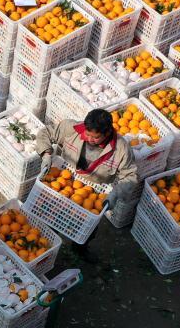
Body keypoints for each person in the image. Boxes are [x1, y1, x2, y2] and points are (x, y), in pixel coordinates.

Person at [34, 109, 138, 261]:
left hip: (93, 191)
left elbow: (130, 175)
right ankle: (45, 246)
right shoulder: (72, 129)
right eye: (88, 134)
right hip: (65, 181)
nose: (90, 139)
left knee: (87, 228)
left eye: (95, 137)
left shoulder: (121, 148)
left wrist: (116, 194)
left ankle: (79, 249)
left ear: (108, 132)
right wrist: (46, 154)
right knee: (51, 218)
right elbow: (46, 133)